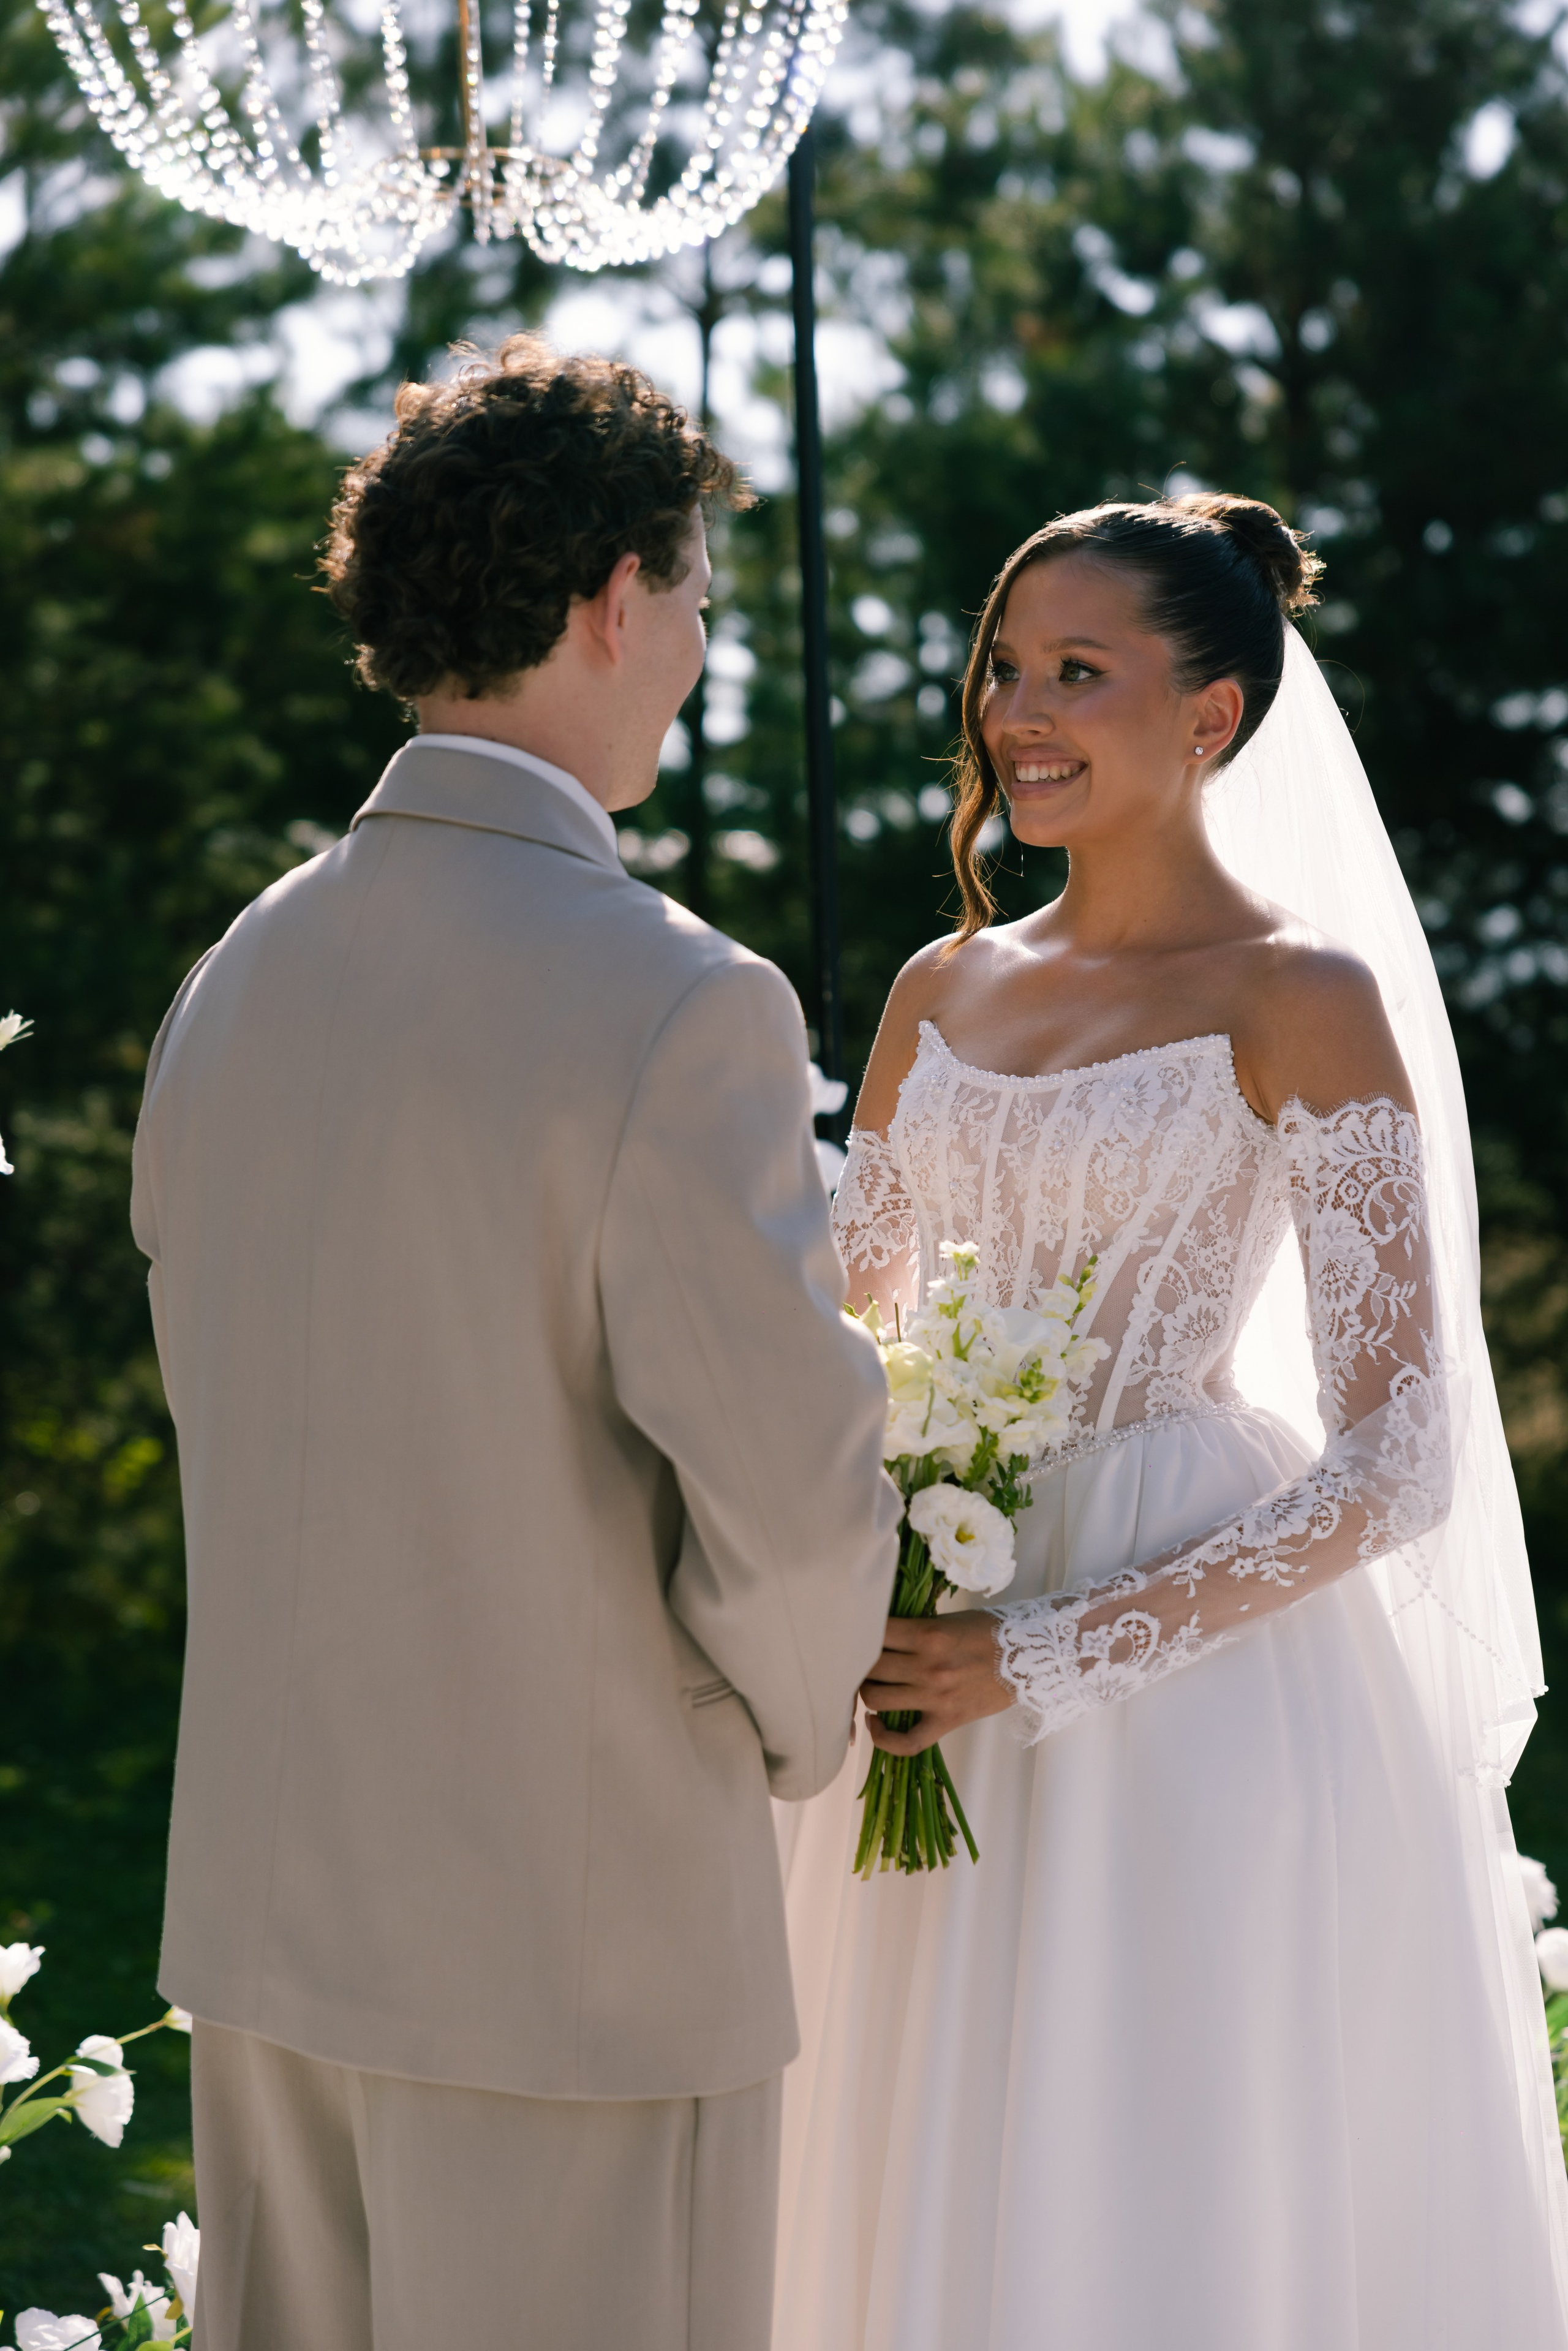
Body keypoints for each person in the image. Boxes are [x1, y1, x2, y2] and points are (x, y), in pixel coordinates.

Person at [129, 335, 900, 2351]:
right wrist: (802, 1730)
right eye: (701, 602)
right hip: (581, 1951)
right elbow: (798, 1503)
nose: (702, 652)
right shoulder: (677, 1004)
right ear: (613, 597)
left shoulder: (235, 980)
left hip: (276, 1935)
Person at [773, 492, 1568, 2349]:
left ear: (1208, 717)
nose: (1018, 711)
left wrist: (1042, 1656)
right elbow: (847, 1316)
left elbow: (1399, 1453)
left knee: (1154, 2173)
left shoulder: (1300, 996)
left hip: (1179, 1663)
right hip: (914, 1619)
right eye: (1002, 667)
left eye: (1078, 672)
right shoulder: (939, 988)